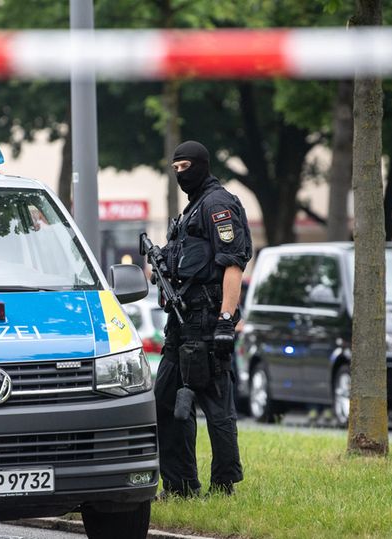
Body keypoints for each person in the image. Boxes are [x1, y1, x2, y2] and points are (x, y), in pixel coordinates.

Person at [152, 141, 252, 497]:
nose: (181, 174)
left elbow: (233, 264)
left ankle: (224, 486)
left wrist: (225, 320)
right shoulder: (191, 210)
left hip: (208, 322)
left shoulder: (216, 205)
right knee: (166, 402)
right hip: (180, 324)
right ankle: (180, 486)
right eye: (175, 168)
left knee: (216, 405)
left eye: (185, 167)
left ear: (202, 165)